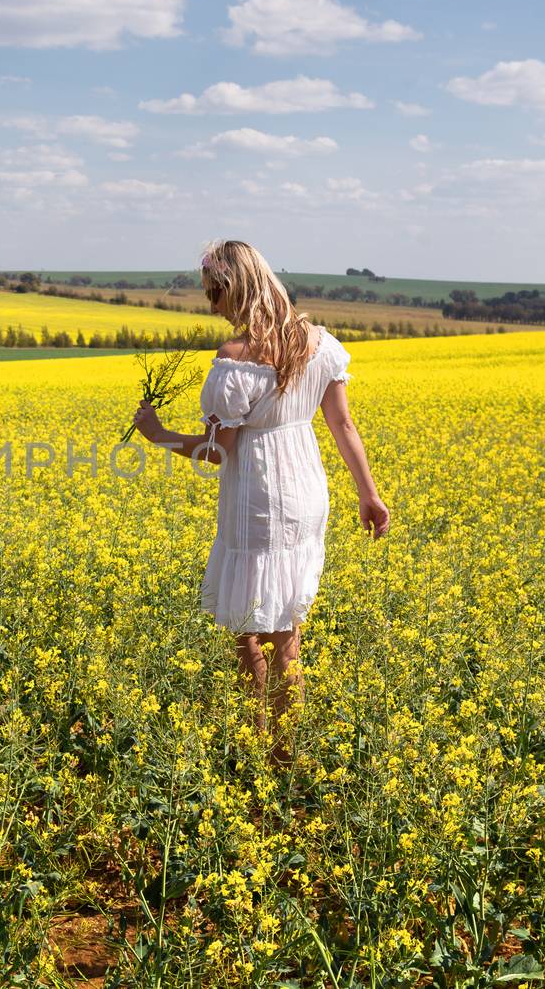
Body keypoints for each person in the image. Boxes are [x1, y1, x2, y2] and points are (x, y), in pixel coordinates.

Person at [131, 239, 390, 749]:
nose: (213, 306)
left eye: (214, 293)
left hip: (259, 493)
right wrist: (369, 494)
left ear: (237, 290)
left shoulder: (235, 358)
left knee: (250, 626)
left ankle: (260, 744)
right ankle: (284, 746)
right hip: (306, 488)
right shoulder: (319, 342)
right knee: (285, 623)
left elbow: (217, 451)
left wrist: (157, 433)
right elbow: (343, 425)